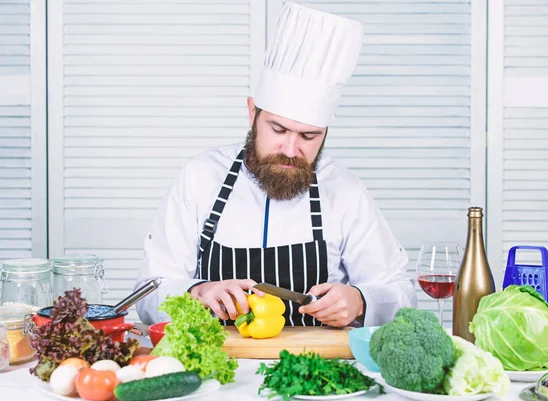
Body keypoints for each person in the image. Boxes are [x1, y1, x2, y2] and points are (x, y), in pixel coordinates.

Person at [134, 2, 417, 328]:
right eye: (278, 129)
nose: (290, 149)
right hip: (218, 371)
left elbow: (402, 293)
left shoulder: (344, 191)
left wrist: (361, 302)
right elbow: (147, 293)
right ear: (253, 113)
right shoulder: (200, 178)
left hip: (315, 369)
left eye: (309, 136)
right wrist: (196, 293)